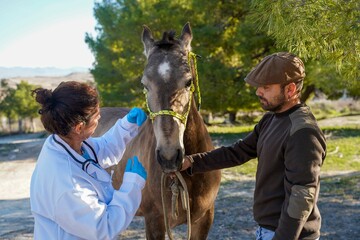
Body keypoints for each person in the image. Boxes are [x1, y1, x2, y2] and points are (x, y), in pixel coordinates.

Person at [181, 52, 326, 240]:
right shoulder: (270, 119)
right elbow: (237, 152)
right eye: (259, 87)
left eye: (266, 87)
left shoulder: (303, 132)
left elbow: (302, 195)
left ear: (290, 90)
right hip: (268, 231)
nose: (258, 92)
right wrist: (191, 162)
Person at [30, 81, 148, 240]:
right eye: (96, 115)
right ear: (79, 127)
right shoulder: (67, 183)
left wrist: (126, 126)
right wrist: (132, 185)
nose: (100, 116)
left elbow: (103, 148)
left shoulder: (66, 141)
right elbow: (104, 227)